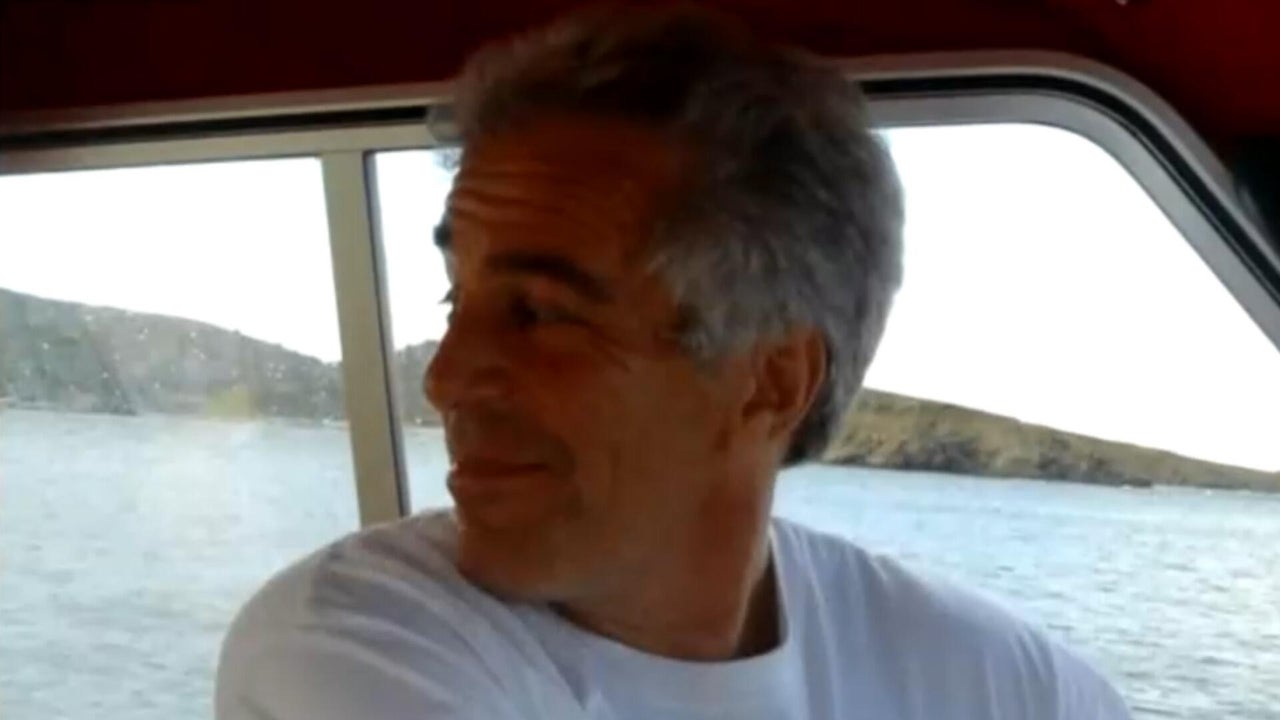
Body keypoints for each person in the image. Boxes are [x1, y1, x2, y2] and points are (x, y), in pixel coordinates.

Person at [216, 6, 1131, 719]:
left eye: (539, 315)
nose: (445, 380)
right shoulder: (350, 651)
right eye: (459, 303)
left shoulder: (1002, 684)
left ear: (769, 381)